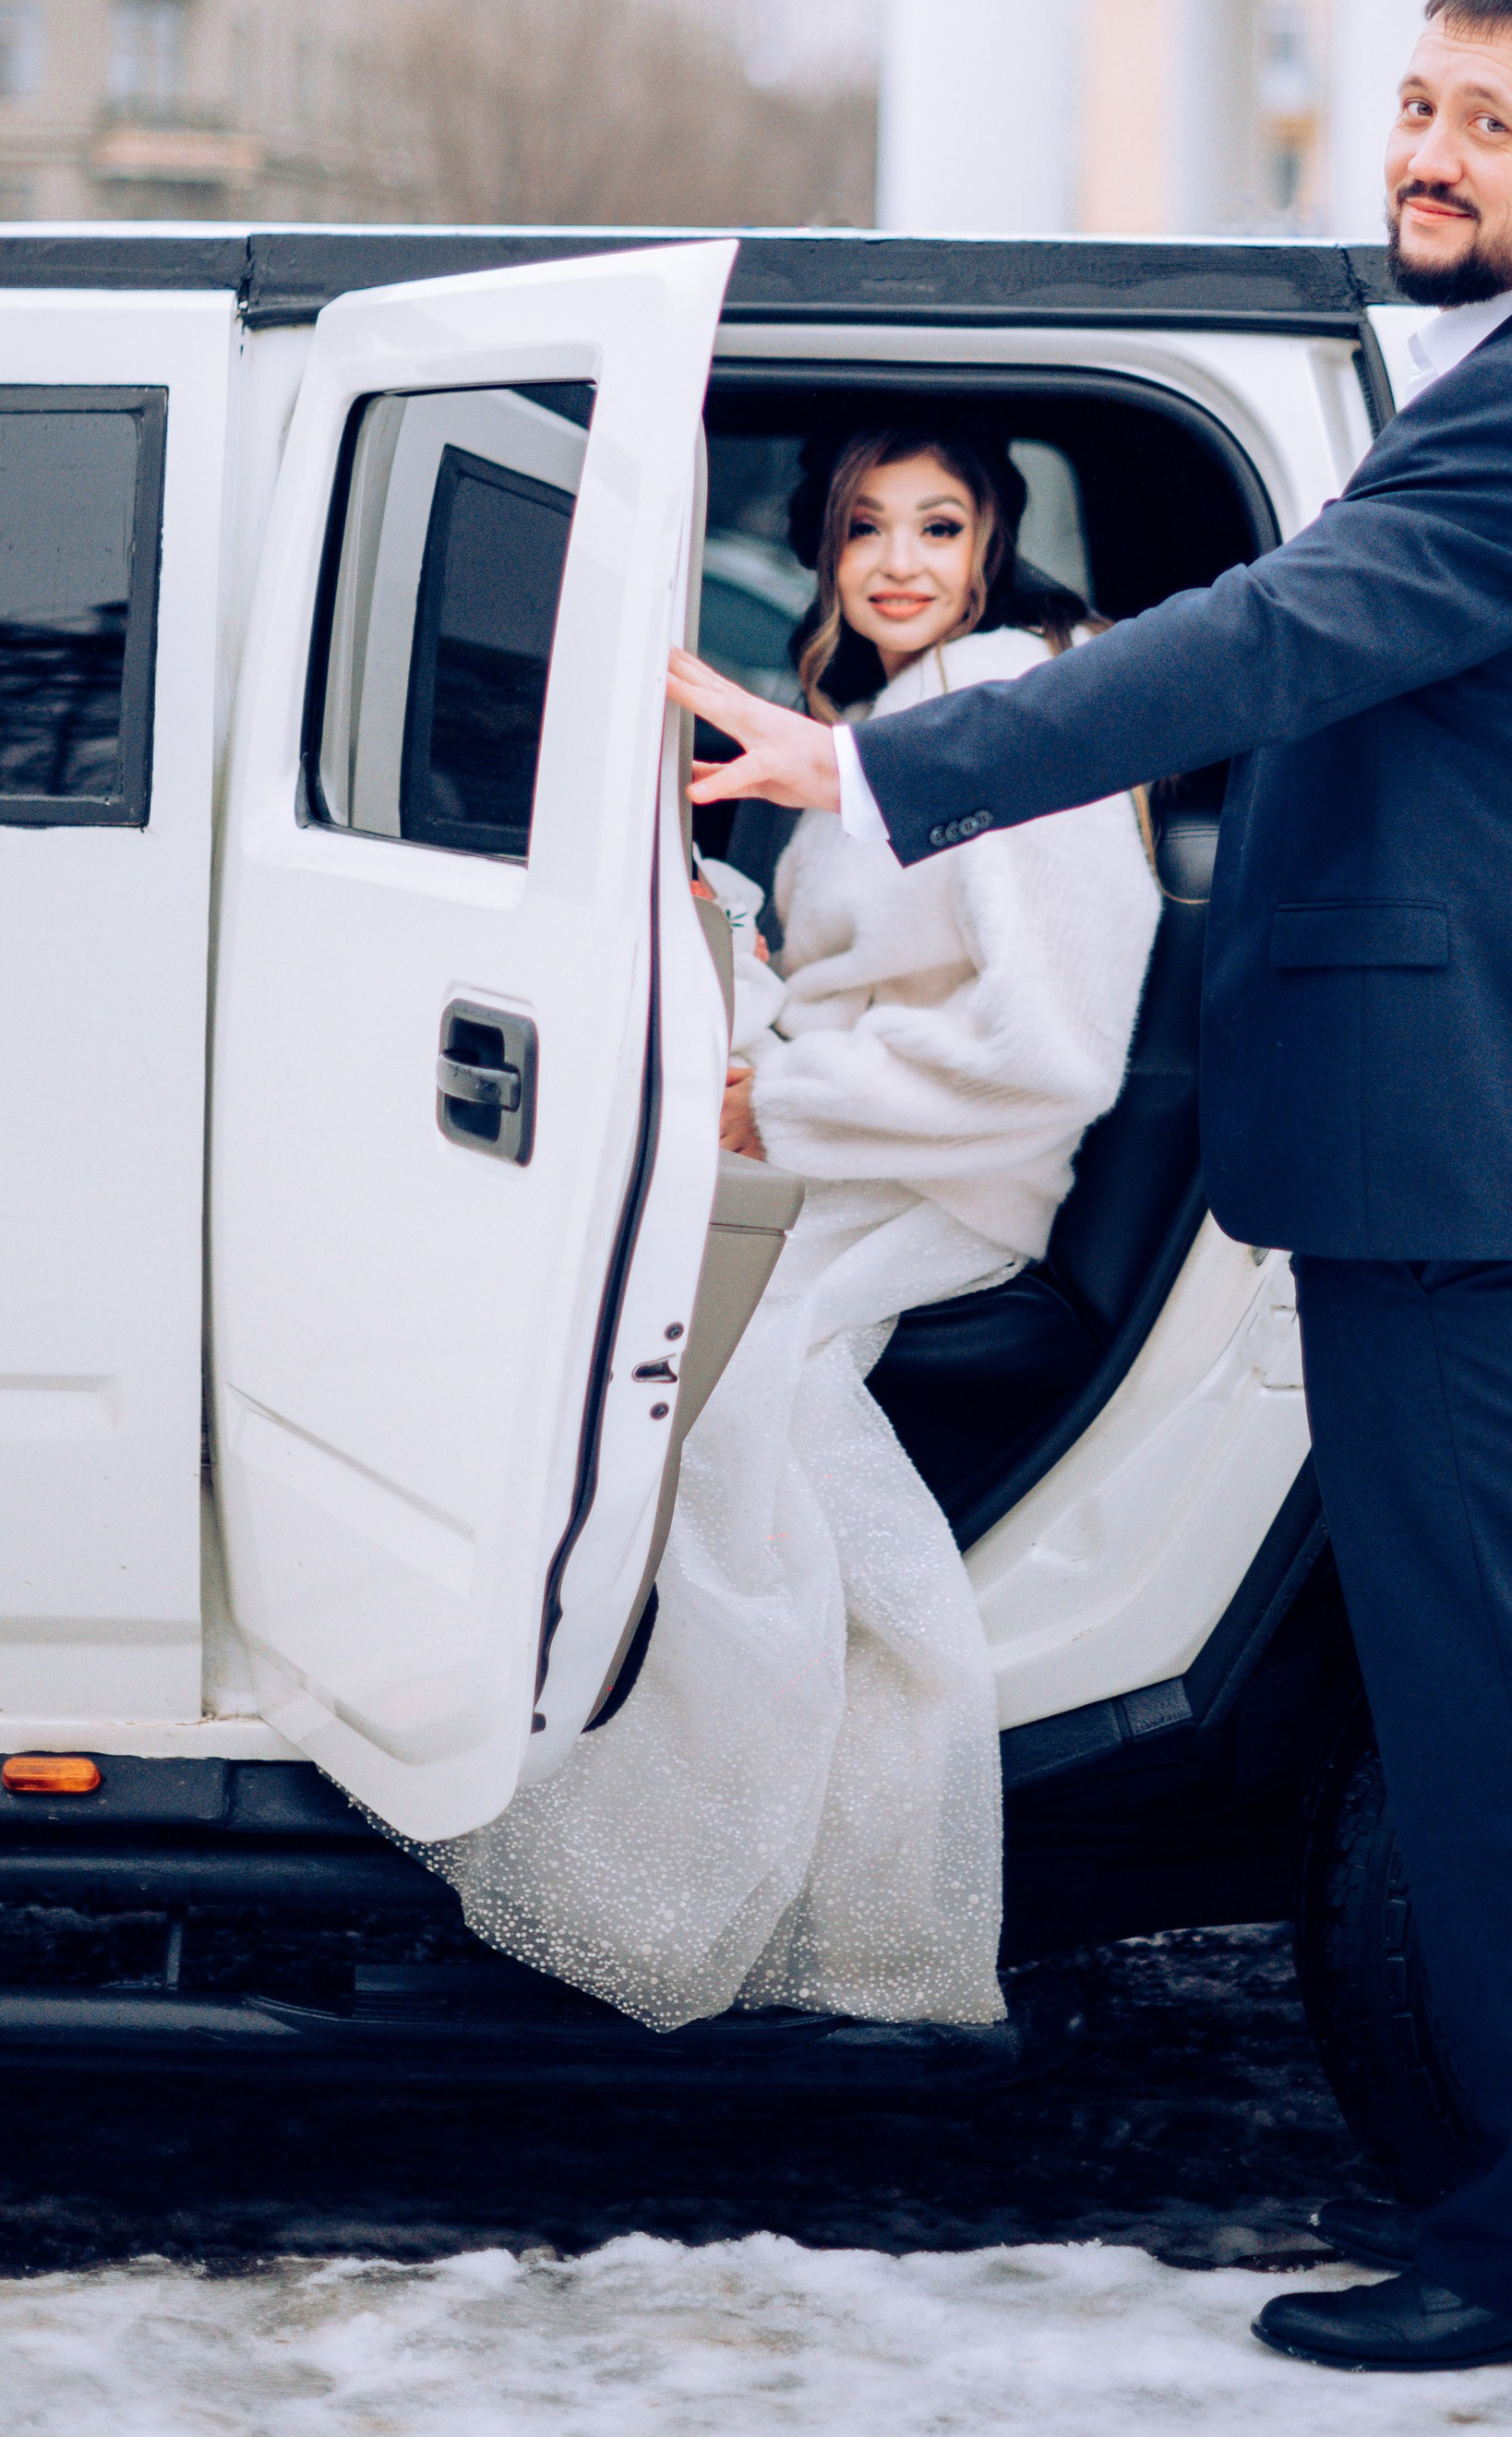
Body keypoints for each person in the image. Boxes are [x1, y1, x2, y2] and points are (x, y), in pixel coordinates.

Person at [669, 0, 1512, 2377]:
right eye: (1421, 103)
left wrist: (885, 768)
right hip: (1501, 1169)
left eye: (1496, 122)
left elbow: (1273, 641)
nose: (1435, 151)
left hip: (1476, 1180)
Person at [422, 427, 1159, 2034]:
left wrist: (794, 1101)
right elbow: (876, 978)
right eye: (864, 528)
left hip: (943, 1182)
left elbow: (1050, 1052)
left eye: (939, 525)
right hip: (859, 1141)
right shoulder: (902, 714)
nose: (898, 561)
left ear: (992, 548)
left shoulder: (1012, 717)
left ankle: (753, 1898)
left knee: (717, 1405)